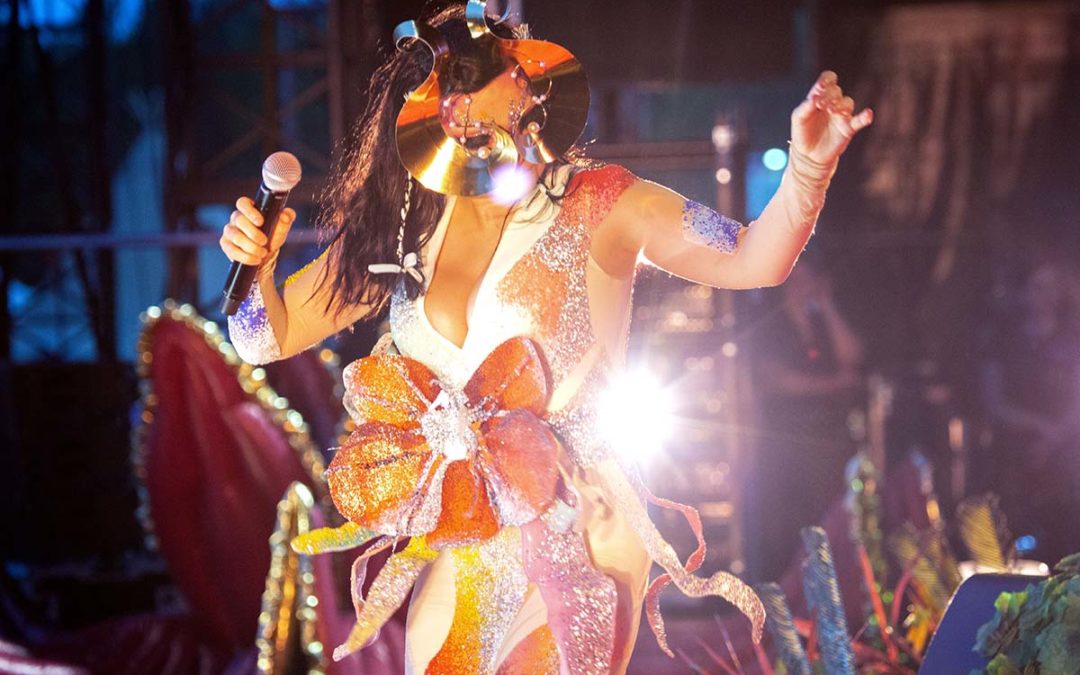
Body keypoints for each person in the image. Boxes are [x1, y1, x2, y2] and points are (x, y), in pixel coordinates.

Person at [220, 3, 873, 672]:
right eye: (506, 72)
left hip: (582, 522)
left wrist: (808, 170)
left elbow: (754, 259)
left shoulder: (605, 201)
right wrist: (254, 269)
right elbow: (263, 338)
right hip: (464, 536)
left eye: (524, 70)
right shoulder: (404, 225)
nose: (527, 83)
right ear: (452, 110)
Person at [747, 259, 866, 581]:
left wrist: (827, 306)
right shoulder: (770, 326)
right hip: (785, 441)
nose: (804, 287)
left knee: (829, 519)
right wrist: (834, 384)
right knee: (788, 528)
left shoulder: (822, 324)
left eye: (809, 279)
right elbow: (777, 380)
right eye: (797, 280)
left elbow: (853, 357)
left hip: (827, 441)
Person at [978, 260, 1080, 563]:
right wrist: (1038, 429)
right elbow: (994, 401)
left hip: (1064, 450)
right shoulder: (1004, 340)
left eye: (1052, 287)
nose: (1045, 295)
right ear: (1024, 292)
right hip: (1014, 449)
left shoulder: (1072, 338)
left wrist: (1054, 438)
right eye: (1038, 286)